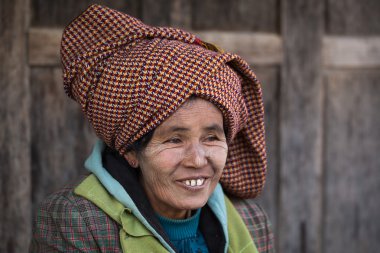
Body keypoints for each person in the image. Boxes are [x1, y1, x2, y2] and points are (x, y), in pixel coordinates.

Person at [30, 4, 274, 253]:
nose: (198, 159)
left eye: (211, 137)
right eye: (174, 140)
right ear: (131, 152)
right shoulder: (78, 221)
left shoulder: (251, 221)